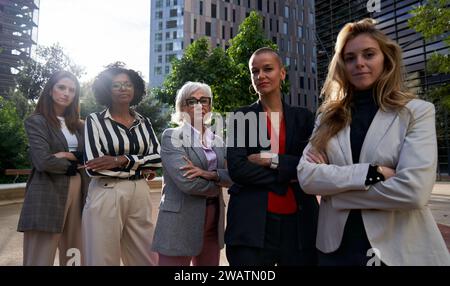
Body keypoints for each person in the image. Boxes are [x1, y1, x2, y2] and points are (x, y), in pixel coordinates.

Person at [297, 18, 450, 266]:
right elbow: (307, 176)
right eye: (350, 58)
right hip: (337, 249)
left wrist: (336, 196)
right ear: (342, 65)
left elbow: (414, 191)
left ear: (385, 59)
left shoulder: (416, 112)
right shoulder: (328, 116)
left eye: (369, 54)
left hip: (396, 248)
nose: (360, 63)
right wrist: (372, 172)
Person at [225, 47, 319, 266]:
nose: (261, 76)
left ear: (282, 73)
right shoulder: (241, 117)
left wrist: (271, 158)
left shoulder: (304, 118)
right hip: (252, 225)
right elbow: (238, 169)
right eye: (255, 71)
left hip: (299, 223)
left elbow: (312, 165)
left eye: (268, 69)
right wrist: (288, 174)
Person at [82, 64, 161, 266]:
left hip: (140, 190)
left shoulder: (145, 122)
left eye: (127, 84)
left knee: (145, 257)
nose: (123, 88)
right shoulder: (95, 121)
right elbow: (93, 165)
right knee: (102, 258)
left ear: (135, 89)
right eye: (116, 85)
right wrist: (142, 163)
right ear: (107, 90)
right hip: (107, 191)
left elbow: (159, 157)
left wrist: (122, 159)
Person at [152, 81, 232, 266]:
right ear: (182, 107)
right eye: (192, 101)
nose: (199, 105)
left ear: (210, 105)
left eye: (204, 100)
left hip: (213, 222)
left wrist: (208, 174)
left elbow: (233, 176)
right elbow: (188, 183)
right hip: (180, 222)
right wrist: (219, 182)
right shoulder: (172, 136)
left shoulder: (218, 140)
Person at [17, 71, 88, 266]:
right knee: (40, 257)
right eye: (61, 87)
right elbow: (43, 161)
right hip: (46, 191)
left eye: (72, 90)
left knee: (75, 252)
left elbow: (91, 156)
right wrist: (76, 163)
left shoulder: (81, 125)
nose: (66, 93)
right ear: (50, 90)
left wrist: (67, 155)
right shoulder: (37, 121)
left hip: (79, 189)